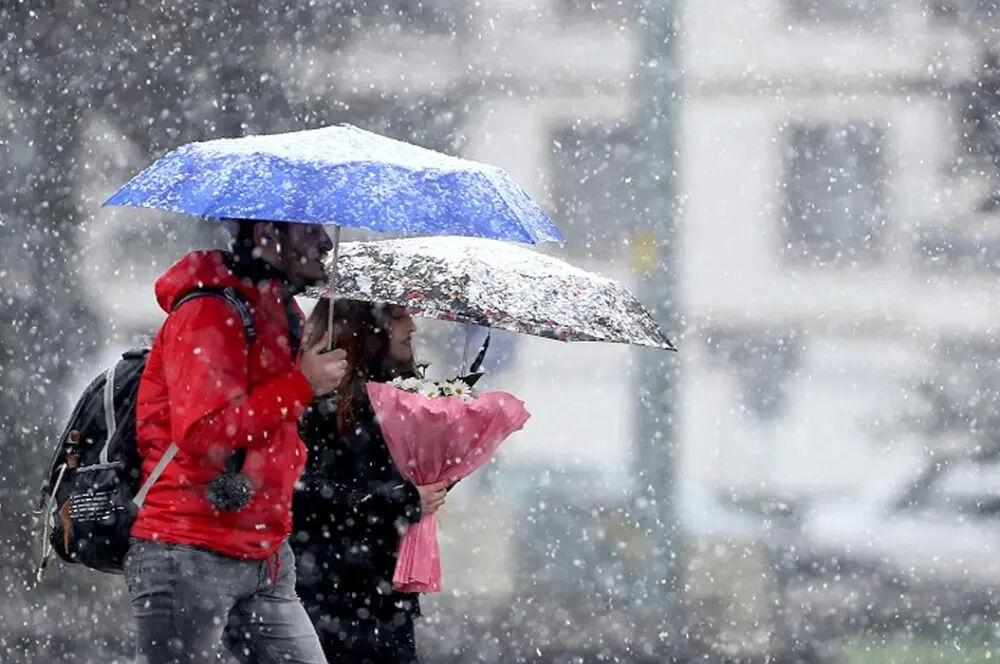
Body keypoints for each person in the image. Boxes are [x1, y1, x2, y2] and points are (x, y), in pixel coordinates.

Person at [126, 220, 347, 664]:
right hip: (189, 549)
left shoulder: (282, 313)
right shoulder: (208, 312)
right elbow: (203, 433)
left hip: (264, 552)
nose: (326, 242)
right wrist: (301, 385)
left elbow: (273, 423)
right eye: (309, 231)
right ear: (268, 233)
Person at [292, 298, 450, 664]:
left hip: (384, 596)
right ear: (366, 328)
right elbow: (300, 491)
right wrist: (401, 501)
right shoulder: (318, 402)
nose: (412, 327)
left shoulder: (401, 398)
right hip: (325, 595)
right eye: (399, 318)